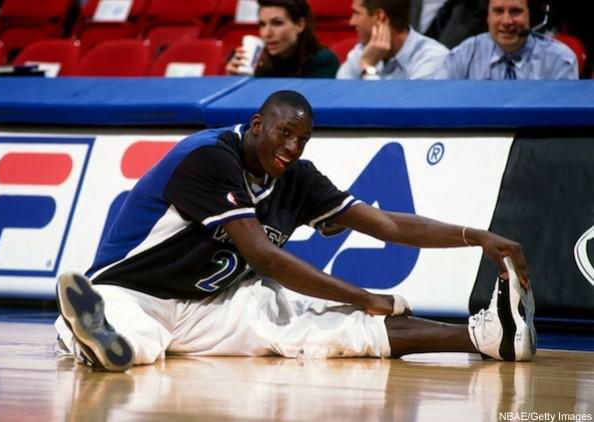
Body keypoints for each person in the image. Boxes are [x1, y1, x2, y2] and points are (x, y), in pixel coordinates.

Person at [54, 90, 536, 372]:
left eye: (302, 139)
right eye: (284, 133)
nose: (292, 147)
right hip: (135, 289)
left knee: (328, 328)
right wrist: (364, 293)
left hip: (213, 304)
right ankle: (95, 334)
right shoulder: (209, 157)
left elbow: (386, 223)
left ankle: (483, 337)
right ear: (258, 125)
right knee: (135, 333)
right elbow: (265, 257)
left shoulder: (295, 177)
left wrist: (477, 235)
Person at [440, 0, 578, 79]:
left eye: (516, 11)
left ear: (532, 16)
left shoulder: (559, 61)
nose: (506, 21)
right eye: (498, 11)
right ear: (488, 17)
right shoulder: (463, 55)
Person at [336, 0, 449, 80]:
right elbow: (339, 100)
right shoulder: (362, 51)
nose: (352, 22)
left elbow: (398, 112)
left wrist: (369, 69)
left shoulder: (432, 58)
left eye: (357, 13)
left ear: (380, 17)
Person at [225, 0, 339, 78]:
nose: (266, 33)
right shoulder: (259, 63)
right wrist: (234, 80)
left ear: (300, 25)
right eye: (262, 24)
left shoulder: (323, 62)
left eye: (277, 23)